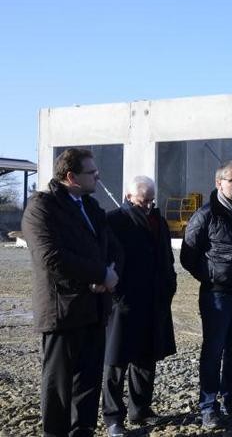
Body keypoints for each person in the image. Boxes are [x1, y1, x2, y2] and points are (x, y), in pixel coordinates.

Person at [22, 148, 120, 437]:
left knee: (88, 383)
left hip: (94, 309)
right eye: (92, 172)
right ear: (71, 177)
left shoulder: (91, 207)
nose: (98, 176)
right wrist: (100, 274)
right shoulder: (42, 208)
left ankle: (83, 431)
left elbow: (113, 247)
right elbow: (51, 257)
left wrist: (110, 275)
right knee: (59, 386)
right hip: (62, 312)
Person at [180, 161, 232, 429]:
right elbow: (188, 255)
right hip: (217, 294)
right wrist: (212, 274)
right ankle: (208, 406)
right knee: (213, 351)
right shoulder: (206, 215)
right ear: (219, 183)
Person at [102, 176, 177, 436]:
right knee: (115, 361)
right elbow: (108, 257)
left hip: (153, 299)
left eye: (150, 200)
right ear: (129, 196)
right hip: (123, 302)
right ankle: (113, 417)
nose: (147, 206)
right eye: (142, 201)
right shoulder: (114, 220)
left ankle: (141, 409)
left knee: (146, 357)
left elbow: (166, 256)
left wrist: (170, 285)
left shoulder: (159, 220)